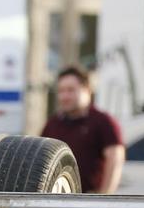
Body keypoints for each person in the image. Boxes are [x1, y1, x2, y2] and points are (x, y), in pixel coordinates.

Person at [40, 66, 125, 194]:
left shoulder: (104, 122)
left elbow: (115, 160)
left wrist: (104, 197)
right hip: (58, 199)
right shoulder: (52, 124)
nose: (65, 96)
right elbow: (41, 160)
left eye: (71, 90)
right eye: (61, 91)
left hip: (90, 198)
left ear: (87, 90)